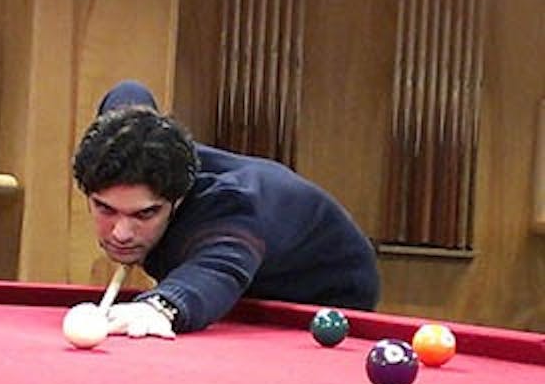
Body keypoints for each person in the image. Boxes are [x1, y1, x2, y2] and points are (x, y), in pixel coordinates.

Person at [72, 80, 380, 338]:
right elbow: (129, 91)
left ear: (177, 200)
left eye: (144, 214)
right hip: (246, 281)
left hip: (323, 289)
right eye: (105, 208)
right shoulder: (128, 141)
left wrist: (161, 306)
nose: (121, 233)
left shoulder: (228, 206)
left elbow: (219, 267)